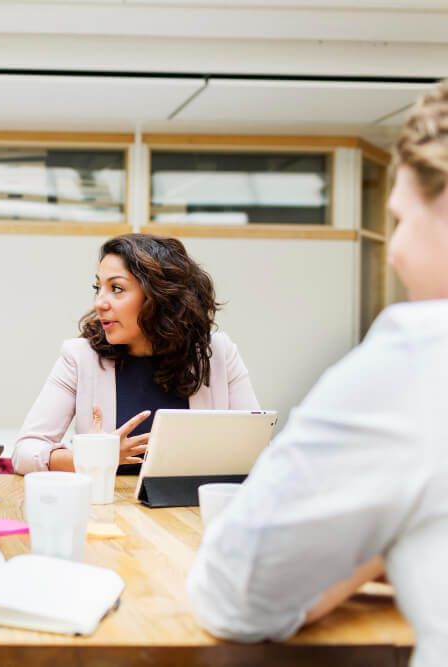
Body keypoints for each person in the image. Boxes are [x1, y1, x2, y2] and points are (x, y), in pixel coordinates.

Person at [187, 82, 448, 667]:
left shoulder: (419, 356)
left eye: (401, 219)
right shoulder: (81, 355)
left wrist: (377, 540)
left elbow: (231, 595)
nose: (396, 249)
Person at [12, 233, 259, 475]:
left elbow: (256, 450)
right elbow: (24, 453)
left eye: (116, 288)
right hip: (108, 508)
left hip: (191, 510)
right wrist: (95, 455)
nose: (100, 302)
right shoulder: (80, 357)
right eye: (98, 287)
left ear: (159, 296)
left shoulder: (217, 354)